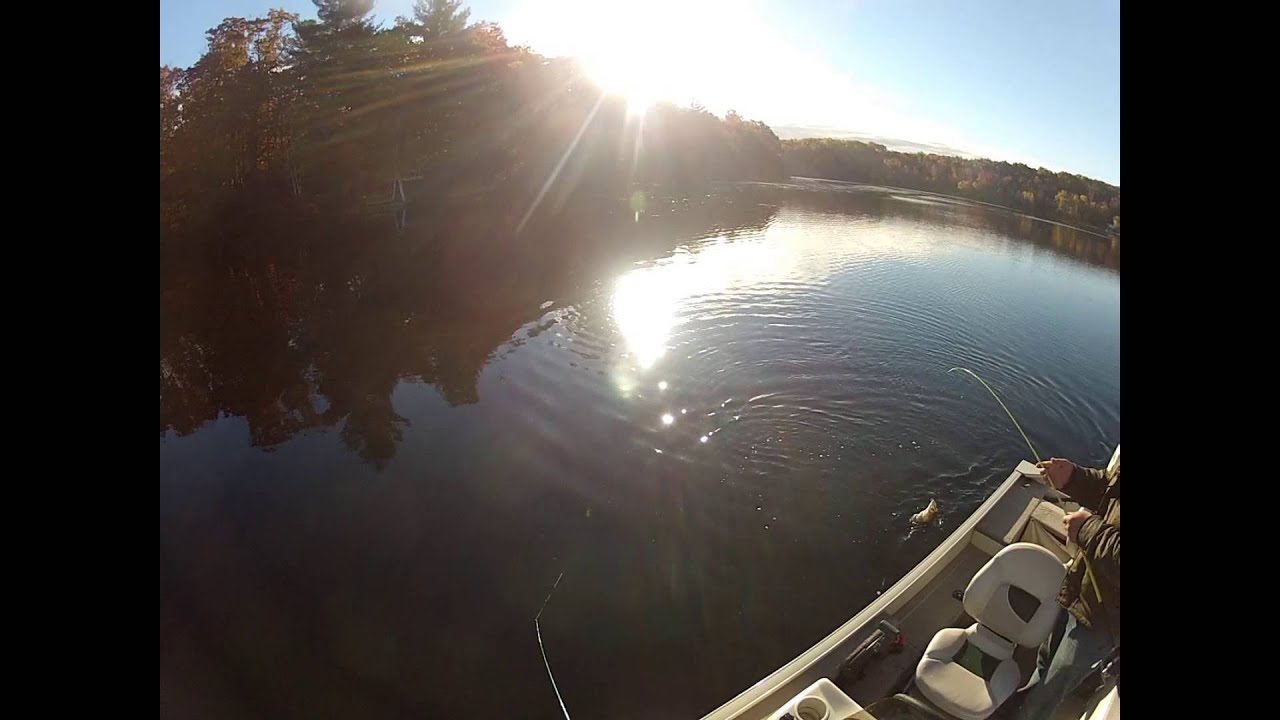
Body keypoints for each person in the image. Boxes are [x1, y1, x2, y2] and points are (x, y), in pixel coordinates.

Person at [1012, 454, 1120, 720]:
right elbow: (1110, 487)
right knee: (1046, 660)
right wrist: (1073, 477)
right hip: (1080, 588)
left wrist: (1088, 530)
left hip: (1104, 620)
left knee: (1052, 688)